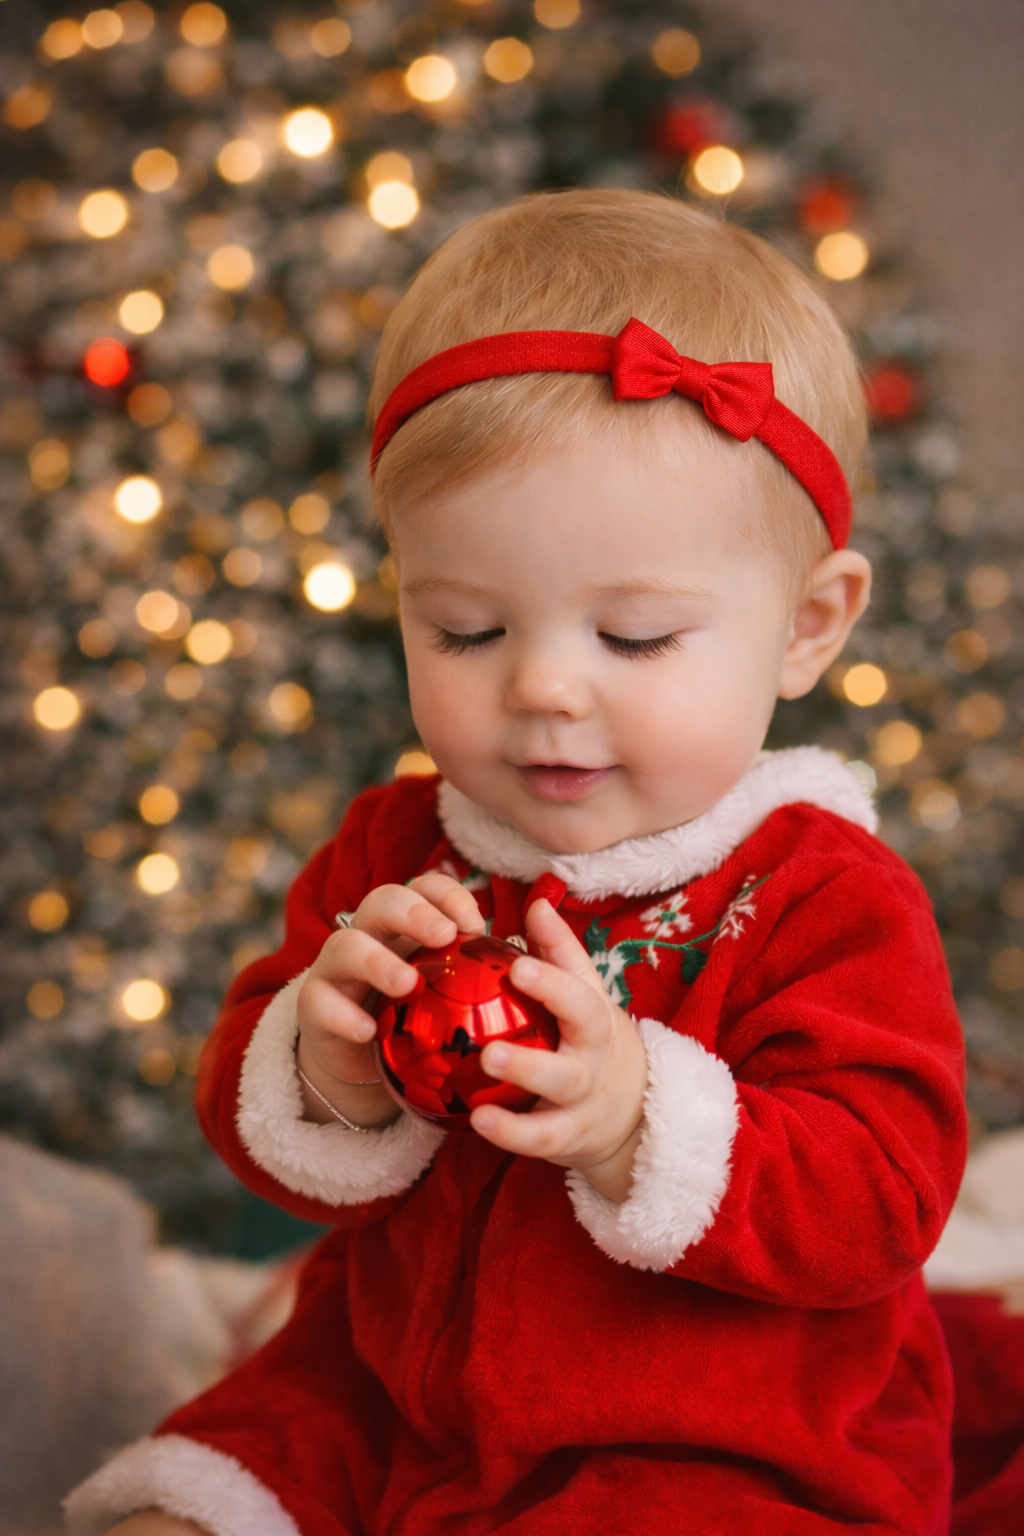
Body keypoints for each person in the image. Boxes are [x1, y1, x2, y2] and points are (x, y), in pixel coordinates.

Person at [69, 190, 968, 1536]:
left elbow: (882, 1201)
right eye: (470, 631)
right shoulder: (397, 845)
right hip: (385, 1392)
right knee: (199, 1491)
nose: (545, 689)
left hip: (707, 1431)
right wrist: (324, 1066)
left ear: (808, 627)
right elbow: (259, 1132)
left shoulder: (821, 893)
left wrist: (636, 1121)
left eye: (639, 638)